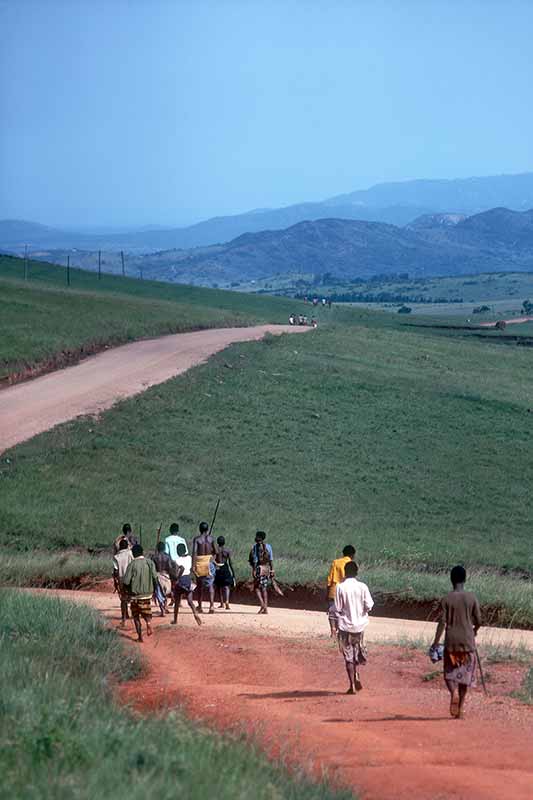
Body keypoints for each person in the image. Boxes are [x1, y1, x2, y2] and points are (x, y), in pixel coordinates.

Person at [430, 565, 482, 719]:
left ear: (451, 579)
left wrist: (435, 642)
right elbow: (479, 620)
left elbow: (442, 622)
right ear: (465, 579)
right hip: (467, 642)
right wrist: (475, 630)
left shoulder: (446, 599)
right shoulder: (472, 597)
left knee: (449, 673)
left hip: (451, 642)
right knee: (465, 674)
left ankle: (453, 693)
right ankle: (460, 707)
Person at [335, 561, 374, 694]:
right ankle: (356, 674)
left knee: (348, 657)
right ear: (357, 572)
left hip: (345, 627)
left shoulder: (340, 587)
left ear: (345, 573)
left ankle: (352, 685)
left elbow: (338, 608)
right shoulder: (363, 587)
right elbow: (369, 605)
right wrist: (362, 610)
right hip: (359, 626)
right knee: (357, 652)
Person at [122, 544, 159, 642]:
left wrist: (128, 593)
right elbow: (155, 579)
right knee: (147, 612)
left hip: (135, 596)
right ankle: (149, 623)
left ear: (133, 554)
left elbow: (126, 582)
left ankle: (140, 637)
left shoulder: (132, 564)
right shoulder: (150, 563)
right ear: (142, 552)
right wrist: (155, 591)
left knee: (136, 616)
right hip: (147, 594)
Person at [326, 545, 356, 638]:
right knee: (344, 612)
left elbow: (329, 579)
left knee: (332, 611)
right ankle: (341, 632)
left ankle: (333, 631)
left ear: (343, 553)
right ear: (353, 555)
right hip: (346, 591)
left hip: (334, 590)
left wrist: (327, 593)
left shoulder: (335, 562)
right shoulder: (351, 564)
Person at [171, 542, 202, 626]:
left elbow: (181, 568)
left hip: (181, 581)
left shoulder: (177, 560)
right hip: (188, 580)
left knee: (177, 602)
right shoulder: (189, 558)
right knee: (190, 601)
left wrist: (177, 578)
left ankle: (175, 619)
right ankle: (195, 613)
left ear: (178, 551)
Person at [192, 521, 217, 614]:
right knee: (210, 585)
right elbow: (216, 551)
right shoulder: (211, 539)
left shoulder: (197, 539)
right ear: (207, 529)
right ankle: (211, 606)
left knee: (199, 584)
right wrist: (211, 558)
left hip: (200, 562)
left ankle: (200, 606)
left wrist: (193, 566)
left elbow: (194, 552)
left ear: (200, 529)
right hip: (209, 562)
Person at [249, 531, 274, 614]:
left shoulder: (255, 547)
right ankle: (266, 608)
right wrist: (272, 570)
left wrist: (254, 570)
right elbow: (271, 560)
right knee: (264, 588)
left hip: (259, 568)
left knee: (256, 588)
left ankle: (262, 605)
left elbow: (255, 560)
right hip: (266, 568)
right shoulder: (269, 547)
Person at [151, 541, 177, 616]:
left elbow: (153, 568)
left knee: (159, 593)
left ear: (157, 548)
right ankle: (164, 608)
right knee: (165, 593)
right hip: (166, 575)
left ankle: (162, 609)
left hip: (158, 576)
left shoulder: (154, 557)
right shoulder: (167, 556)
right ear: (164, 548)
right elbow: (169, 567)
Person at [113, 538, 133, 628]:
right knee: (133, 597)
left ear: (120, 547)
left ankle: (124, 619)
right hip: (131, 578)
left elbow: (115, 571)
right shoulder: (130, 554)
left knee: (123, 599)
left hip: (121, 579)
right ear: (127, 546)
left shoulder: (116, 557)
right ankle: (134, 617)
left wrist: (115, 582)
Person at [214, 535, 235, 610]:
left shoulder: (216, 550)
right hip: (225, 567)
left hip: (218, 567)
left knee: (218, 586)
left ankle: (222, 603)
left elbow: (212, 559)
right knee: (226, 586)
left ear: (217, 542)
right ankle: (227, 601)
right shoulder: (227, 550)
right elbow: (231, 563)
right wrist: (233, 573)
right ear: (224, 542)